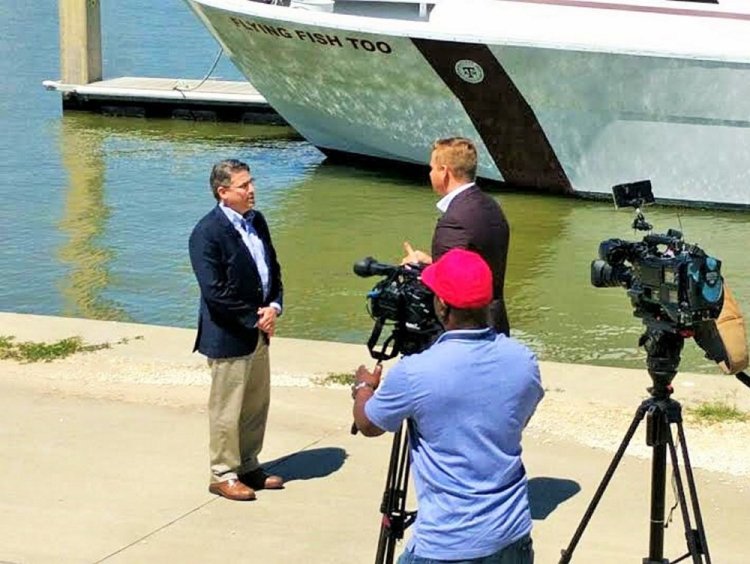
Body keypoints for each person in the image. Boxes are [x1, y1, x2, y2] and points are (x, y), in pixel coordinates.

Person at [353, 249, 544, 563]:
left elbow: (368, 424)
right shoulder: (523, 360)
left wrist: (364, 387)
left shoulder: (416, 372)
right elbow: (515, 419)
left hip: (446, 546)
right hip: (513, 535)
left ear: (441, 305)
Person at [188, 159, 284, 502]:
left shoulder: (257, 221)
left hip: (259, 331)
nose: (252, 190)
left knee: (256, 403)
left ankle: (248, 464)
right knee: (227, 409)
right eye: (244, 186)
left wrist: (274, 307)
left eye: (251, 182)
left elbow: (272, 267)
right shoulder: (207, 233)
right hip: (229, 334)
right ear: (223, 192)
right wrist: (254, 317)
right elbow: (215, 292)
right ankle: (223, 473)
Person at [403, 137, 511, 336]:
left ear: (444, 171)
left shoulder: (454, 220)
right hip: (496, 318)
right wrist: (432, 261)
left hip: (468, 329)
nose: (430, 174)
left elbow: (451, 285)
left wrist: (418, 267)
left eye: (432, 168)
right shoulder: (491, 206)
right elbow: (475, 264)